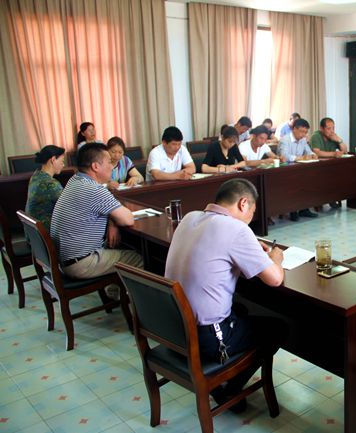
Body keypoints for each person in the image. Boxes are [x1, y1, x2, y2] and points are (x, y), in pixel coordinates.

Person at [165, 178, 287, 411]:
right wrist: (276, 258)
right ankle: (228, 389)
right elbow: (275, 279)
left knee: (241, 309)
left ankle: (225, 377)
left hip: (172, 327)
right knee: (279, 328)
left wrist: (250, 245)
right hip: (204, 338)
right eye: (252, 211)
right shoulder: (237, 229)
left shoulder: (189, 217)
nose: (250, 218)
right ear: (243, 203)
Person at [50, 143, 143, 281]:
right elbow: (127, 219)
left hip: (66, 260)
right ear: (95, 166)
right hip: (82, 263)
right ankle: (122, 294)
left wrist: (112, 222)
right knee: (140, 258)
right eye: (109, 162)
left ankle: (114, 291)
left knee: (118, 247)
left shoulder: (75, 180)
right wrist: (114, 219)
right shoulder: (93, 189)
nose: (112, 166)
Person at [278, 118, 318, 220]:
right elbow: (284, 156)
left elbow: (308, 151)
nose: (304, 135)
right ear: (294, 129)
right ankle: (293, 210)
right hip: (284, 172)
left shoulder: (303, 140)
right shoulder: (285, 140)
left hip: (299, 169)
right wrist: (300, 158)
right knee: (295, 182)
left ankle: (304, 209)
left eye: (305, 132)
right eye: (302, 131)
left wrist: (313, 155)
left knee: (310, 180)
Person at [25, 145, 65, 232]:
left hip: (33, 233)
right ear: (53, 160)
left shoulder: (36, 176)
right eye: (62, 161)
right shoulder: (50, 183)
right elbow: (69, 206)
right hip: (46, 233)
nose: (63, 165)